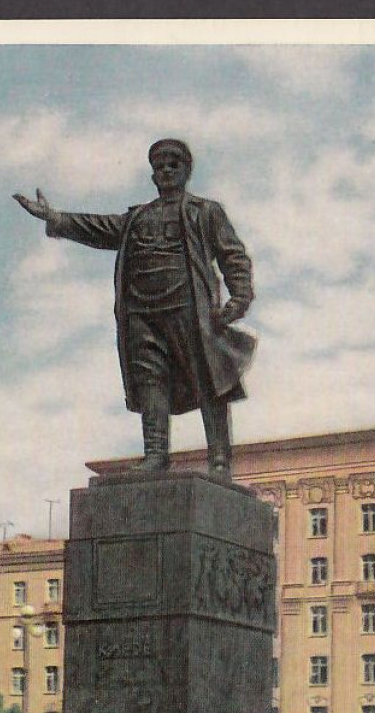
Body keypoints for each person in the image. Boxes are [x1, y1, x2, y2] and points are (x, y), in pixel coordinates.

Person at [14, 139, 255, 481]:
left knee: (209, 380)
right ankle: (156, 454)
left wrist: (239, 297)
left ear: (187, 170)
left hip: (189, 309)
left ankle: (218, 459)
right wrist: (55, 218)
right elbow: (97, 229)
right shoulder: (137, 217)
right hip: (142, 312)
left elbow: (233, 255)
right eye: (160, 166)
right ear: (153, 175)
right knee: (150, 380)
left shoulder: (206, 211)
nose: (166, 170)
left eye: (174, 164)